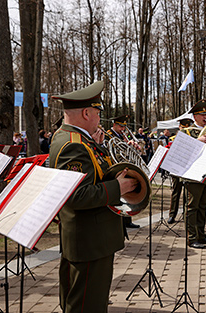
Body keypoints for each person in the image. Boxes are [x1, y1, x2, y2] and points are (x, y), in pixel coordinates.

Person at [49, 81, 138, 313]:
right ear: (87, 113)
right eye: (98, 113)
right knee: (87, 305)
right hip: (89, 239)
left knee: (86, 301)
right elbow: (77, 196)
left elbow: (91, 175)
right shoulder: (72, 144)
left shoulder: (74, 138)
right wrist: (119, 187)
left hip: (90, 238)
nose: (100, 119)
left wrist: (99, 148)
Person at [182, 99, 206, 249]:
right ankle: (191, 238)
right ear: (195, 116)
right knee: (192, 207)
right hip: (194, 174)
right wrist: (198, 140)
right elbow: (182, 151)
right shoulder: (187, 131)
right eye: (202, 114)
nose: (205, 117)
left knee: (204, 206)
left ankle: (201, 235)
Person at [107, 115, 141, 229]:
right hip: (115, 169)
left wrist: (130, 146)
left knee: (127, 194)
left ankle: (127, 220)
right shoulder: (108, 135)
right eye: (121, 126)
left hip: (125, 168)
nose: (123, 129)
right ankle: (120, 221)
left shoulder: (122, 136)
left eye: (124, 127)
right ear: (114, 125)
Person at [168, 118, 193, 224]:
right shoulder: (174, 138)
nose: (185, 131)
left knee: (187, 193)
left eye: (187, 128)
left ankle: (185, 214)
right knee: (176, 192)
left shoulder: (192, 139)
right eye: (184, 128)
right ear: (180, 127)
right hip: (177, 169)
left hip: (188, 169)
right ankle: (172, 214)